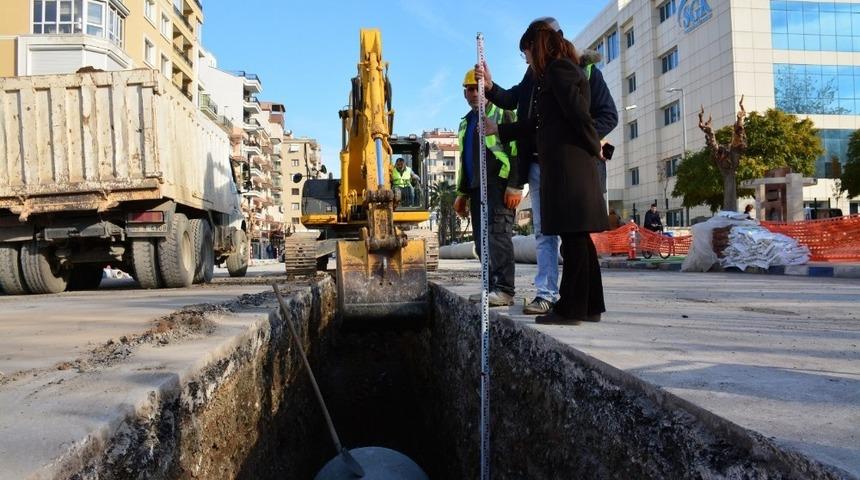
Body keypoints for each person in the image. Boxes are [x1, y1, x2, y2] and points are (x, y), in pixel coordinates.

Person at [476, 16, 618, 315]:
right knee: (563, 235)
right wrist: (491, 91)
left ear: (538, 43)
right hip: (553, 165)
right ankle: (585, 304)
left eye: (525, 51)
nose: (525, 58)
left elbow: (582, 118)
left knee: (573, 237)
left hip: (571, 165)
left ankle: (571, 305)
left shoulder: (564, 70)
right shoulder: (541, 74)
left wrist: (593, 146)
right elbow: (534, 119)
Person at [453, 68, 521, 307]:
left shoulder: (503, 114)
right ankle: (490, 287)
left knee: (498, 236)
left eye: (476, 88)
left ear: (486, 89)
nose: (473, 94)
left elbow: (515, 152)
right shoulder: (466, 123)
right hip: (476, 187)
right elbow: (465, 159)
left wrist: (514, 185)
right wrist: (462, 193)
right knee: (482, 240)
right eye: (469, 89)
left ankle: (504, 289)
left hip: (498, 184)